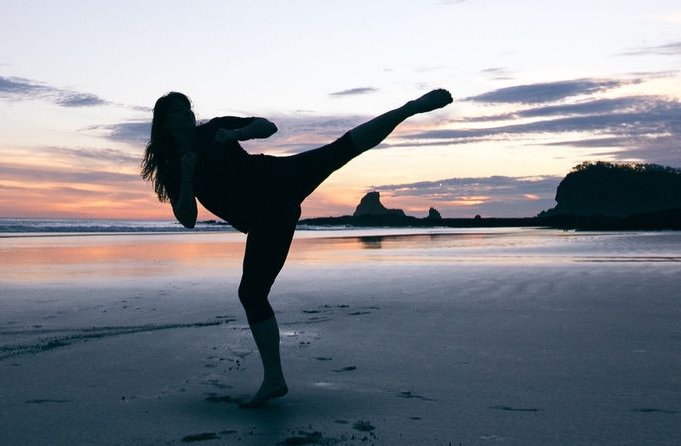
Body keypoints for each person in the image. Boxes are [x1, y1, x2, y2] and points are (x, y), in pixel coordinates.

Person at [140, 89, 453, 407]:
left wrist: (234, 134)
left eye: (188, 108)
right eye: (178, 111)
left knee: (338, 151)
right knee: (251, 293)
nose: (188, 114)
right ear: (165, 122)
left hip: (277, 180)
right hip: (268, 219)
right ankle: (274, 380)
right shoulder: (172, 166)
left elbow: (267, 126)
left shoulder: (213, 129)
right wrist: (189, 178)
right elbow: (188, 218)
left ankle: (409, 108)